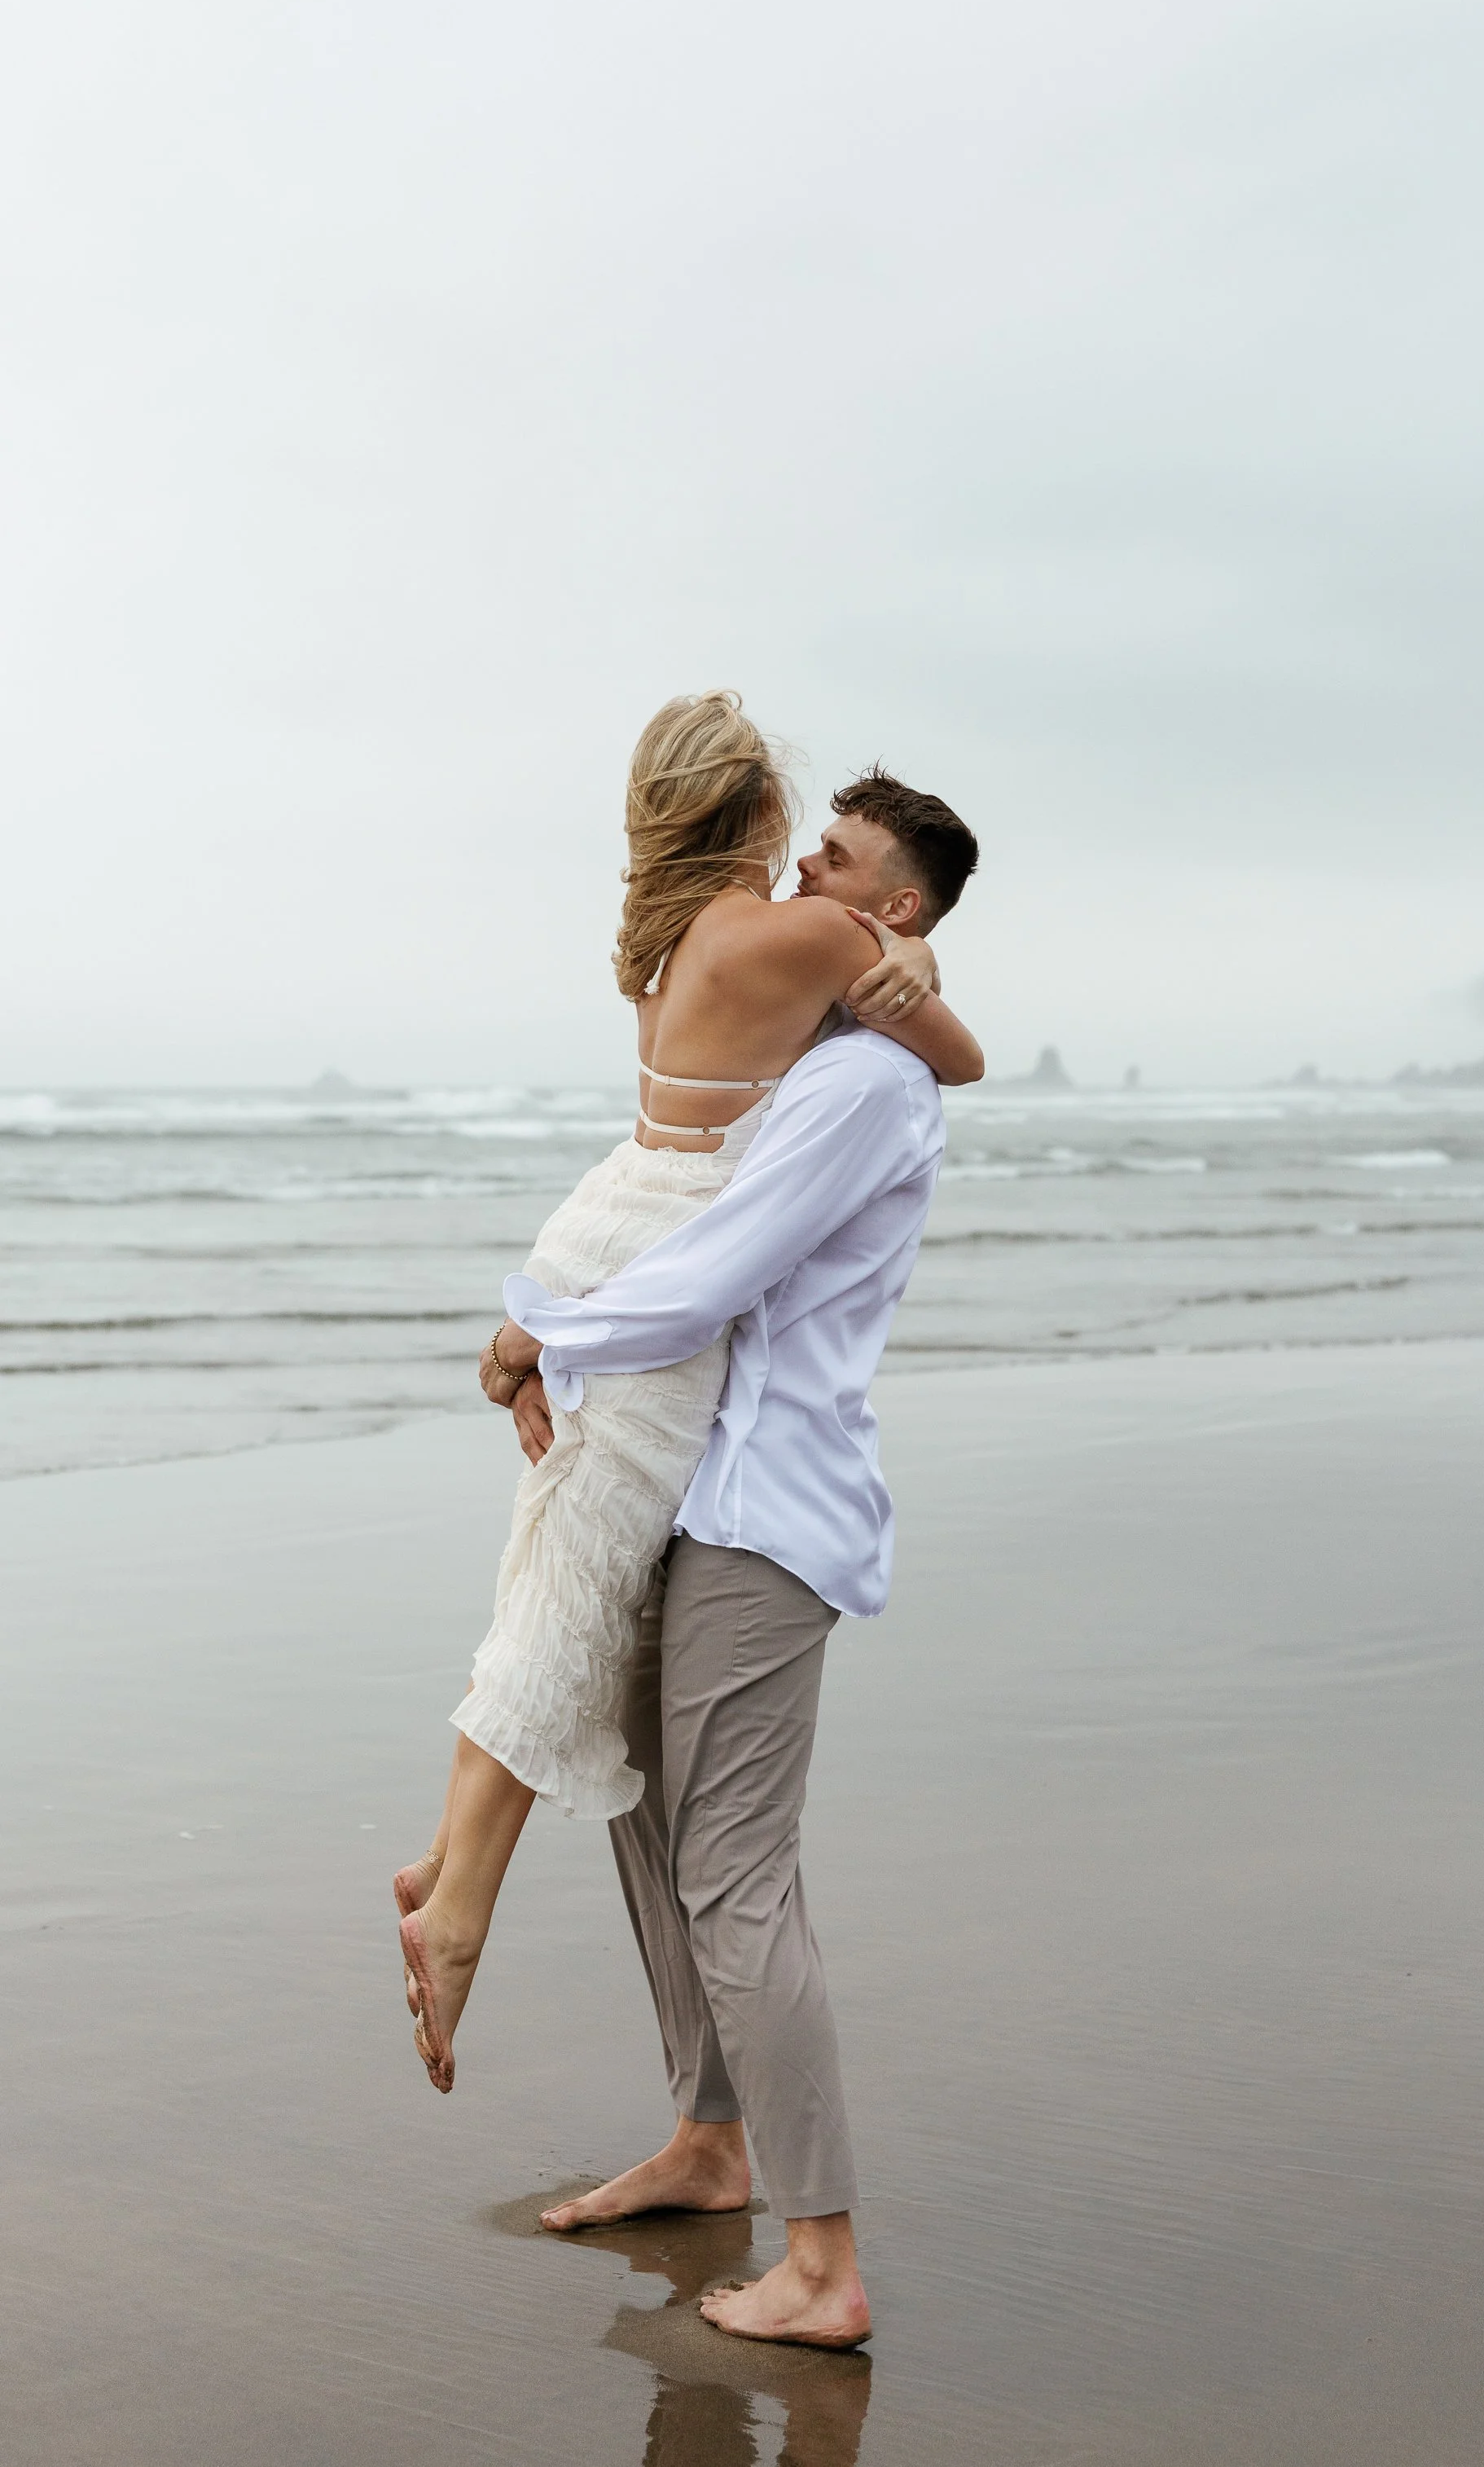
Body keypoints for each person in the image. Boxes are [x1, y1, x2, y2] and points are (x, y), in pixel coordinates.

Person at [396, 695, 982, 2119]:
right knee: (575, 1591)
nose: (809, 860)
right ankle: (459, 1901)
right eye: (800, 827)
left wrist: (543, 1308)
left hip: (609, 1227)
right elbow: (957, 1058)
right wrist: (905, 950)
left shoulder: (668, 944)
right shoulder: (810, 940)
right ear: (755, 809)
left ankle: (453, 1862)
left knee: (551, 1572)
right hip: (654, 1267)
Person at [481, 782, 978, 2350]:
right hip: (695, 1491)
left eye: (837, 863)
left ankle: (824, 2262)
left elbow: (708, 1271)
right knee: (645, 1814)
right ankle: (710, 2144)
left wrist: (535, 1328)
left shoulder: (863, 1092)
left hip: (772, 1513)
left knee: (738, 1874)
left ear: (892, 913)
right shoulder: (827, 1050)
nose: (803, 876)